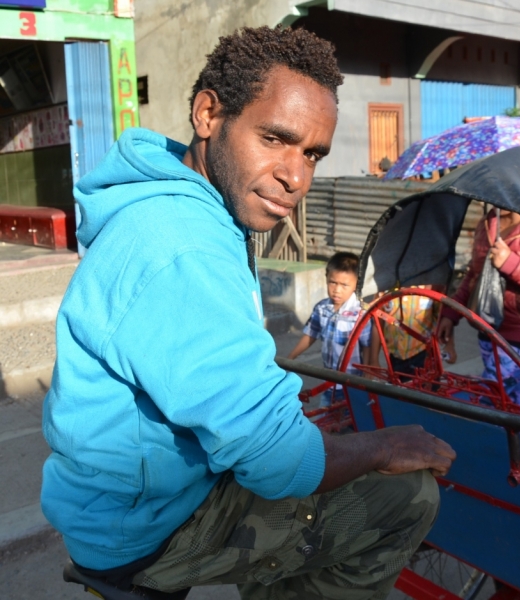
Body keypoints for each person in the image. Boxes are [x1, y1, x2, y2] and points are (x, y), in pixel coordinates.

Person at [41, 26, 455, 599]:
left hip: (126, 498)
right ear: (208, 114)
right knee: (409, 497)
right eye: (275, 138)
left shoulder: (181, 199)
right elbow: (278, 461)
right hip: (151, 527)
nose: (297, 177)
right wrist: (383, 447)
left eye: (312, 153)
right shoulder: (181, 243)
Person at [437, 209, 520, 408]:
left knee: (488, 398)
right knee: (514, 399)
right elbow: (474, 275)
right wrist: (450, 314)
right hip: (487, 329)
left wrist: (511, 264)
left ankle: (490, 438)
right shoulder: (486, 224)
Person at [288, 251, 371, 407]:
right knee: (326, 424)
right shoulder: (322, 308)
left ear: (356, 284)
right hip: (329, 383)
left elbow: (367, 345)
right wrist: (290, 358)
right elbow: (310, 334)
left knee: (354, 426)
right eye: (333, 282)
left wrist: (366, 375)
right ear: (326, 279)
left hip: (352, 384)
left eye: (344, 285)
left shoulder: (360, 313)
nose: (337, 290)